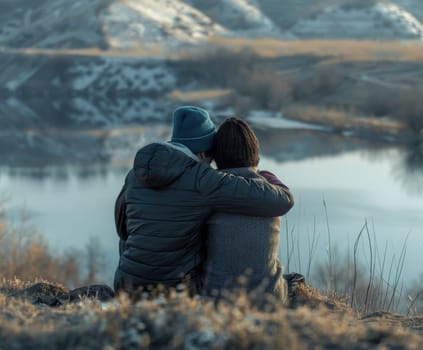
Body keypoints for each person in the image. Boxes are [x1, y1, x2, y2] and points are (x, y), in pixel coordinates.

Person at [113, 106, 294, 295]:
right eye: (211, 157)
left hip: (125, 285)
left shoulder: (134, 175)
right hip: (175, 290)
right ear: (202, 153)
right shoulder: (202, 178)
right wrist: (267, 177)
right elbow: (280, 201)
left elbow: (122, 229)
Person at [202, 117, 288, 304]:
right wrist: (266, 175)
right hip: (269, 300)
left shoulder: (207, 193)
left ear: (217, 157)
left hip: (218, 300)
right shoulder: (273, 195)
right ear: (255, 153)